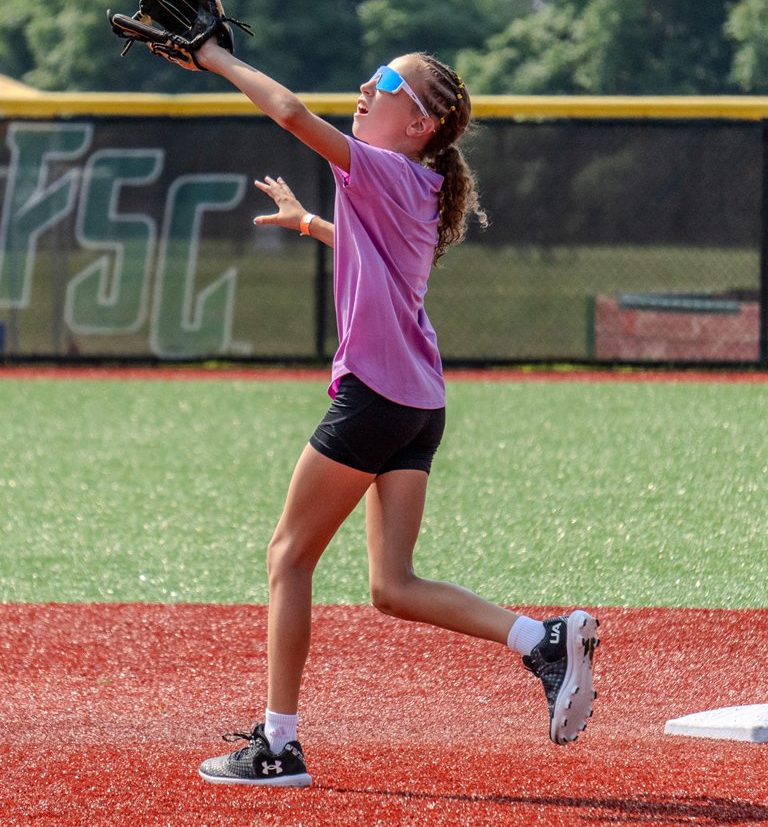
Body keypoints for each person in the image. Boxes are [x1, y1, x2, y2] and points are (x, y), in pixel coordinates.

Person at [183, 41, 600, 788]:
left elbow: (286, 112)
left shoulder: (382, 167)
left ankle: (279, 746)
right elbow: (373, 258)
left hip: (375, 396)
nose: (365, 88)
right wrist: (311, 223)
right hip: (418, 403)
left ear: (422, 122)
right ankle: (542, 639)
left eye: (386, 83)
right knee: (392, 586)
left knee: (288, 557)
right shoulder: (418, 182)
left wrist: (214, 56)